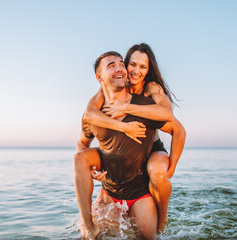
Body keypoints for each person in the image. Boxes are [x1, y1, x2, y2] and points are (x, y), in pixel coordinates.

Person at [74, 51, 185, 240]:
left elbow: (176, 127)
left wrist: (172, 168)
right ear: (99, 77)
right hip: (109, 193)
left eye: (120, 64)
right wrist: (93, 171)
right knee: (79, 159)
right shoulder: (94, 112)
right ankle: (88, 223)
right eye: (111, 65)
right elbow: (83, 143)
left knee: (158, 174)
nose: (120, 68)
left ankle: (162, 216)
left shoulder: (147, 104)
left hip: (140, 195)